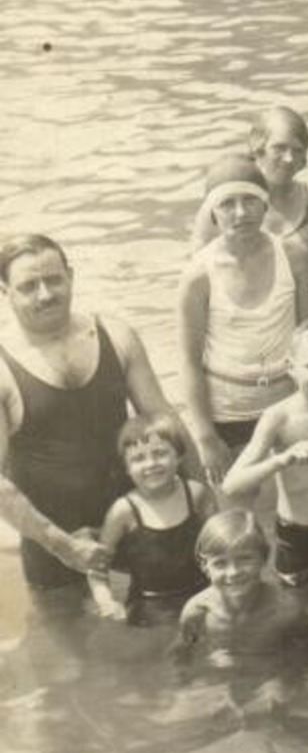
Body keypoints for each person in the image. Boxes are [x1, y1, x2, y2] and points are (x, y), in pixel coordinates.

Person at [0, 235, 192, 590]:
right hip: (53, 536)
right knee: (68, 633)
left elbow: (165, 419)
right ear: (5, 291)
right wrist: (62, 546)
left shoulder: (115, 334)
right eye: (28, 286)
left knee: (160, 612)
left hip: (135, 514)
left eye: (53, 279)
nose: (45, 294)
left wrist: (198, 501)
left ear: (70, 276)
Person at [178, 155, 308, 481]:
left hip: (288, 402)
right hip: (228, 413)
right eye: (227, 203)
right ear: (213, 213)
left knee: (297, 504)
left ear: (265, 205)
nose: (241, 212)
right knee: (238, 511)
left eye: (250, 200)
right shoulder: (198, 275)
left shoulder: (294, 255)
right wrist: (204, 436)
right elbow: (188, 362)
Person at [221, 319, 308, 587]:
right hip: (297, 534)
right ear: (291, 368)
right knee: (296, 605)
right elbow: (231, 485)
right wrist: (282, 460)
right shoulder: (278, 417)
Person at [190, 107, 308, 340]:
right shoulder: (222, 207)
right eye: (280, 148)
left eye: (298, 151)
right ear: (258, 148)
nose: (289, 159)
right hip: (249, 330)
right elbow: (201, 284)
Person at [88, 415, 216, 626]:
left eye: (160, 453)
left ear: (179, 457)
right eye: (138, 458)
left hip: (201, 595)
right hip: (150, 605)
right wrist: (106, 601)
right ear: (127, 469)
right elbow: (97, 569)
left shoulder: (196, 494)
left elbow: (222, 547)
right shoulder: (123, 511)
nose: (151, 464)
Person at [172, 510, 308, 672]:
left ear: (264, 558)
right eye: (220, 563)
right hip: (222, 679)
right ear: (205, 567)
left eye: (244, 559)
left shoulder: (284, 610)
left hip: (271, 673)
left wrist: (287, 681)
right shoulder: (197, 611)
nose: (233, 572)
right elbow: (181, 653)